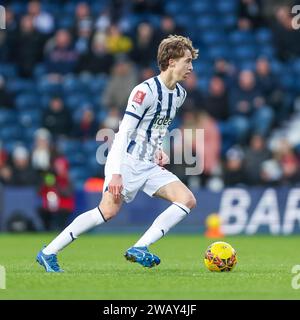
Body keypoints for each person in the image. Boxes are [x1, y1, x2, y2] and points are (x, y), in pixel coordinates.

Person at [36, 35, 198, 272]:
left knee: (187, 200)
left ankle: (140, 247)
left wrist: (159, 151)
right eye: (187, 61)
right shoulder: (144, 92)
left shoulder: (180, 95)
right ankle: (48, 252)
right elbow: (122, 134)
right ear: (171, 61)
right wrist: (115, 174)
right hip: (126, 161)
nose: (191, 67)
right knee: (107, 212)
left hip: (149, 164)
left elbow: (160, 128)